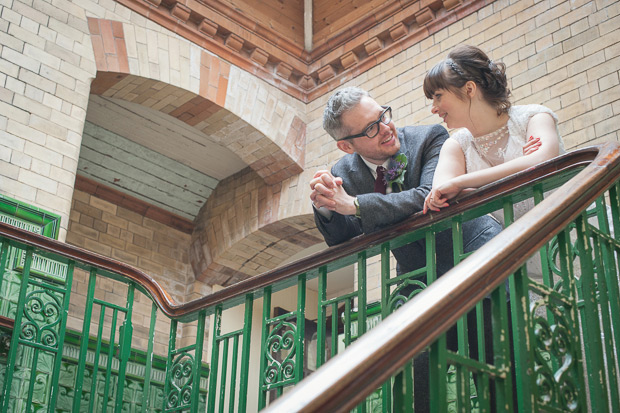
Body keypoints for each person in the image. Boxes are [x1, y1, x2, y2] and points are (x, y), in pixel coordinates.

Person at [310, 86, 502, 412]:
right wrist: (327, 206)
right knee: (425, 384)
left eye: (383, 114)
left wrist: (354, 204)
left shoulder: (431, 137)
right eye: (371, 128)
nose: (386, 127)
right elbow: (342, 237)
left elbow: (428, 196)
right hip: (419, 283)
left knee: (496, 369)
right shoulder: (343, 173)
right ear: (346, 145)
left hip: (475, 259)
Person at [422, 44, 565, 219]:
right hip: (514, 243)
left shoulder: (534, 117)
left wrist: (461, 183)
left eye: (438, 96)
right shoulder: (456, 146)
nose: (433, 109)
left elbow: (543, 159)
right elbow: (440, 194)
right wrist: (524, 164)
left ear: (469, 89)